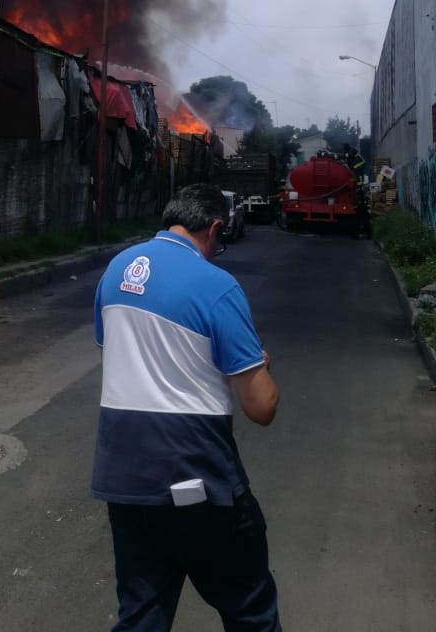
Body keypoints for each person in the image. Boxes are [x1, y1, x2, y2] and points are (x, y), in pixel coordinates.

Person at [91, 182, 282, 631]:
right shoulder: (216, 284)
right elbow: (262, 407)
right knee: (250, 609)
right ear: (215, 228)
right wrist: (259, 366)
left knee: (142, 614)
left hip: (124, 478)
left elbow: (125, 355)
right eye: (220, 239)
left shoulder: (115, 269)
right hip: (199, 480)